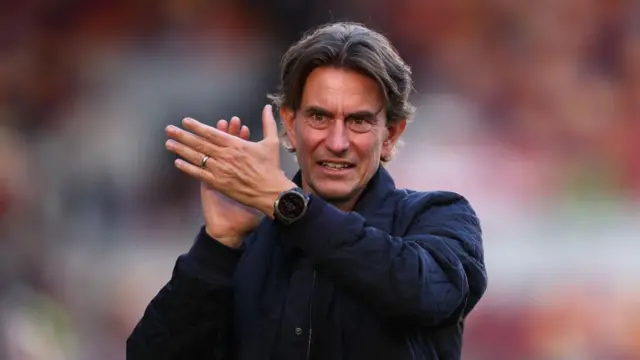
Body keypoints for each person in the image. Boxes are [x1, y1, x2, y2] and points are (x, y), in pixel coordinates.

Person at [127, 22, 487, 360]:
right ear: (289, 124)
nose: (337, 142)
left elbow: (423, 294)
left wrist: (289, 207)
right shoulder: (243, 245)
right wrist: (217, 246)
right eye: (319, 117)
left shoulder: (438, 216)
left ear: (391, 134)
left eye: (359, 121)